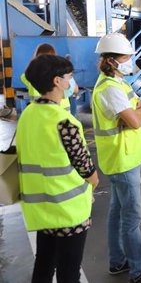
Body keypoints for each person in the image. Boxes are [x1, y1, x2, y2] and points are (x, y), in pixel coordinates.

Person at [91, 33, 141, 283]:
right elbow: (136, 118)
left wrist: (139, 110)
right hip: (121, 160)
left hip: (124, 157)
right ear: (112, 61)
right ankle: (138, 271)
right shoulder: (110, 89)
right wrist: (139, 112)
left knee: (117, 212)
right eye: (126, 57)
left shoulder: (121, 84)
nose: (130, 61)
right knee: (132, 218)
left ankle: (118, 261)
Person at [17, 55, 99, 283]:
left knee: (44, 264)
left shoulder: (27, 115)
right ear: (57, 81)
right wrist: (93, 181)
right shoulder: (64, 121)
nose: (72, 81)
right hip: (68, 211)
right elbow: (84, 165)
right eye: (70, 77)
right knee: (69, 270)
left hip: (42, 209)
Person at [20, 43, 76, 113]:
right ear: (57, 81)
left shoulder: (26, 114)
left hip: (38, 111)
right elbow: (74, 89)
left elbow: (25, 75)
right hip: (61, 111)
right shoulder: (63, 121)